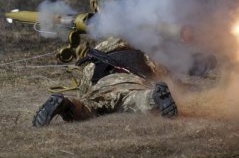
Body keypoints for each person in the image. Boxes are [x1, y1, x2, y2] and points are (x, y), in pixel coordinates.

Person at [32, 37, 177, 127]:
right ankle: (154, 97)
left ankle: (65, 104)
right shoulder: (141, 54)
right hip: (131, 83)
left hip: (102, 86)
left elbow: (85, 86)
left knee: (86, 107)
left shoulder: (94, 58)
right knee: (138, 101)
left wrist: (85, 98)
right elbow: (161, 73)